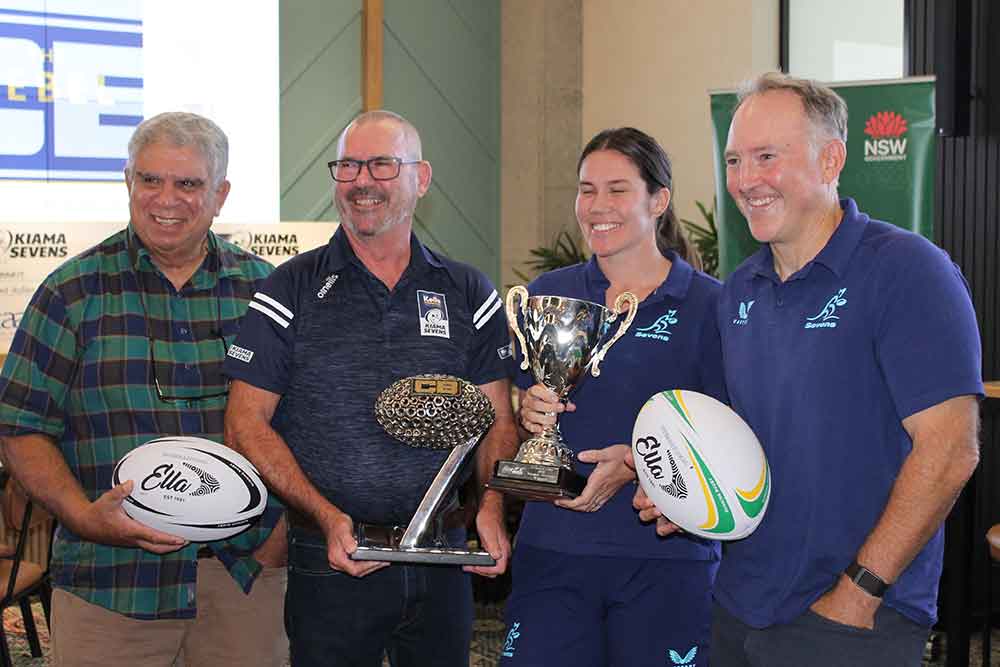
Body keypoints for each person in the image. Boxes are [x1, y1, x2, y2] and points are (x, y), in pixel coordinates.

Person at [673, 72, 980, 666]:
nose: (746, 180)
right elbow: (744, 438)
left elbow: (949, 450)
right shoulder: (738, 290)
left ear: (831, 159)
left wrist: (859, 593)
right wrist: (662, 470)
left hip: (852, 618)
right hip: (739, 604)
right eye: (734, 160)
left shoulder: (908, 270)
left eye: (767, 156)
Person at [222, 110, 519, 667]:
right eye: (349, 166)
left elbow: (498, 420)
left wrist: (492, 506)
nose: (362, 181)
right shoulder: (290, 287)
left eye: (382, 165)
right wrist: (326, 516)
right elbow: (244, 423)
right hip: (330, 556)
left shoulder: (467, 290)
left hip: (442, 556)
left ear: (421, 178)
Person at [0, 111, 288, 666]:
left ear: (220, 194)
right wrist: (81, 515)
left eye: (188, 183)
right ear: (128, 181)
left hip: (243, 579)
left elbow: (310, 425)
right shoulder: (71, 293)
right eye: (150, 179)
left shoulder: (267, 291)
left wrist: (281, 534)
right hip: (109, 582)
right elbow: (20, 427)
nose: (166, 199)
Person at [499, 127, 727, 667]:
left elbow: (726, 436)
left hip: (667, 558)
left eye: (617, 189)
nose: (597, 206)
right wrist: (529, 411)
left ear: (658, 200)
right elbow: (518, 407)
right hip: (554, 550)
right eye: (587, 190)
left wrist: (635, 463)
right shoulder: (547, 295)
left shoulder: (710, 305)